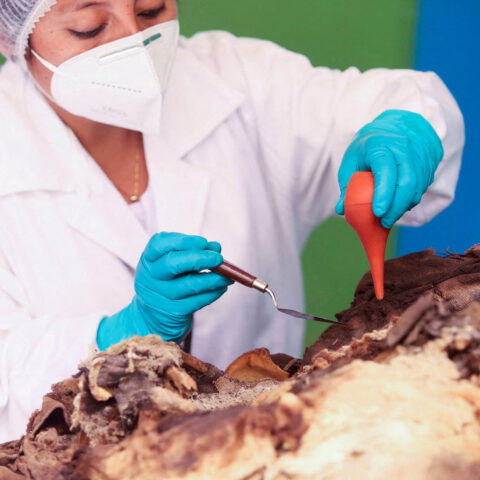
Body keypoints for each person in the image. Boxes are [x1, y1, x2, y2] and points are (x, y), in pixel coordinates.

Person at [0, 0, 464, 442]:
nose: (133, 41)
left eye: (150, 10)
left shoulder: (235, 79)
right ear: (10, 37)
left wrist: (405, 129)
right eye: (90, 27)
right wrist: (120, 335)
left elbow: (396, 102)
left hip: (273, 442)